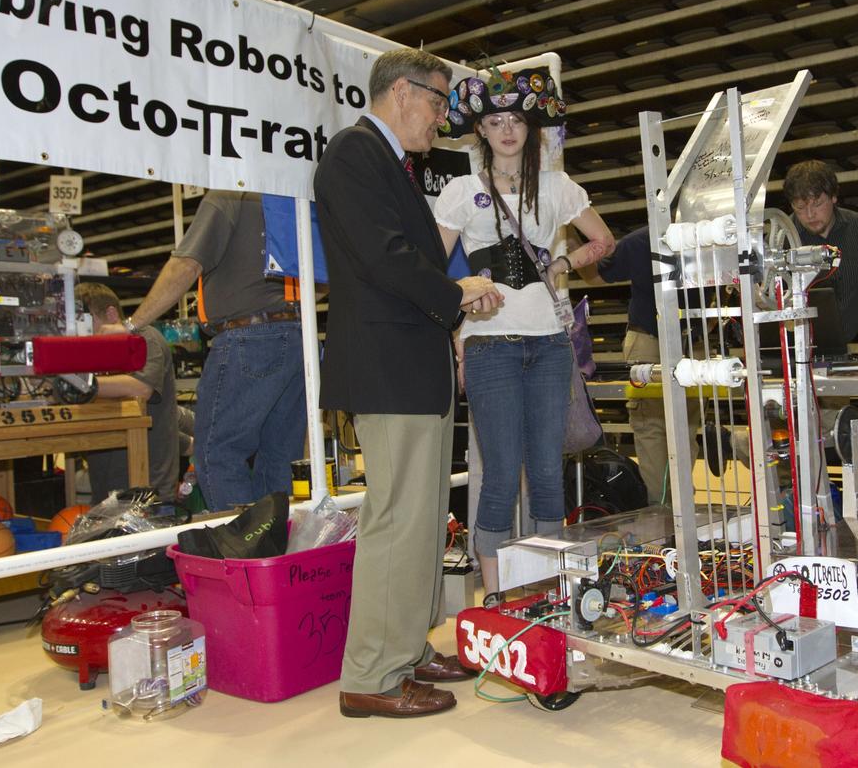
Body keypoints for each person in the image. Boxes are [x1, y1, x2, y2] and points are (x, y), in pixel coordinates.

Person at [314, 47, 502, 720]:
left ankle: (406, 645)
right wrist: (455, 293)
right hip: (387, 367)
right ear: (402, 92)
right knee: (396, 519)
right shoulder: (352, 154)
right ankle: (372, 672)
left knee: (423, 518)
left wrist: (453, 301)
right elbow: (386, 259)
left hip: (410, 362)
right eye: (437, 102)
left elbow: (404, 260)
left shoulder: (386, 162)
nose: (442, 119)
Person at [434, 65, 614, 597]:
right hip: (489, 346)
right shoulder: (462, 192)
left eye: (516, 119)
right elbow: (429, 266)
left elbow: (603, 241)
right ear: (481, 131)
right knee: (499, 472)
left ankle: (547, 590)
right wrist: (463, 285)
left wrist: (563, 262)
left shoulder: (558, 187)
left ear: (531, 128)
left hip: (551, 345)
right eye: (496, 121)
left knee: (546, 470)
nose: (507, 129)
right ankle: (493, 596)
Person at [124, 190, 305, 511]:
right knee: (279, 456)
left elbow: (186, 266)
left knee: (216, 453)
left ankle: (245, 551)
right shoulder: (292, 198)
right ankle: (275, 548)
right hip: (297, 337)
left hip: (246, 337)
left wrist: (131, 326)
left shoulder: (228, 193)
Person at [597, 225, 701, 502]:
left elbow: (600, 272)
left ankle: (677, 505)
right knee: (652, 428)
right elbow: (601, 272)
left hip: (688, 339)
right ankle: (664, 508)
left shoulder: (704, 236)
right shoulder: (641, 241)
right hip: (650, 338)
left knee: (684, 429)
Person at [76, 283, 180, 502]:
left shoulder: (143, 338)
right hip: (107, 488)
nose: (81, 332)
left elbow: (141, 388)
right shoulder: (91, 351)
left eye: (86, 322)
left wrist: (81, 384)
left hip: (148, 486)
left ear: (111, 314)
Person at [784, 160, 858, 355]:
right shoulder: (782, 238)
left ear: (834, 196)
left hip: (843, 348)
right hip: (792, 351)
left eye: (817, 204)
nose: (809, 215)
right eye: (800, 207)